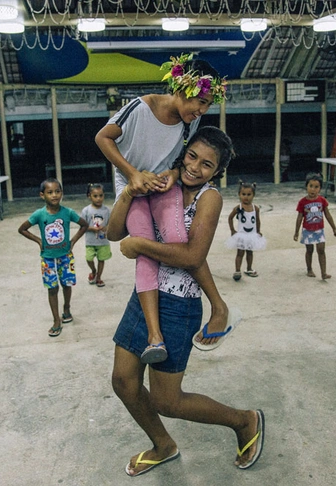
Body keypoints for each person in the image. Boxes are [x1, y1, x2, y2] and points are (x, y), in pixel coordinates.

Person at [108, 126, 264, 477]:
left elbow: (194, 255)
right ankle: (163, 445)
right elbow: (116, 232)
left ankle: (245, 421)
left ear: (217, 171)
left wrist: (142, 246)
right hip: (145, 295)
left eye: (207, 164)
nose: (196, 167)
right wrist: (130, 191)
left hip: (180, 305)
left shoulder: (210, 199)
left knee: (167, 400)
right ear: (183, 153)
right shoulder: (165, 182)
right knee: (123, 381)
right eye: (192, 156)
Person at [95, 53, 236, 364]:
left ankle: (219, 305)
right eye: (199, 100)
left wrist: (173, 173)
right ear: (180, 86)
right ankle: (154, 335)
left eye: (208, 105)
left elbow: (179, 156)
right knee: (145, 250)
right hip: (134, 186)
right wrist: (132, 175)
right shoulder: (141, 108)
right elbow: (103, 137)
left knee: (179, 241)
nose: (201, 110)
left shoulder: (192, 119)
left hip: (161, 185)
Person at [18, 178, 88, 337]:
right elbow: (22, 229)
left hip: (66, 257)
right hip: (48, 259)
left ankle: (67, 309)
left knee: (67, 284)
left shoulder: (68, 212)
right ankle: (56, 320)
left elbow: (84, 225)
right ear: (42, 195)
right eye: (50, 192)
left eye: (57, 191)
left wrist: (73, 241)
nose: (54, 195)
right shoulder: (39, 214)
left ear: (62, 193)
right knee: (52, 288)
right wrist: (38, 240)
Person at [293, 173, 336, 279]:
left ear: (320, 188)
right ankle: (309, 269)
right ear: (306, 186)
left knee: (321, 250)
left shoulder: (322, 201)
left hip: (319, 230)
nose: (313, 190)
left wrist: (334, 228)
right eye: (311, 186)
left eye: (316, 187)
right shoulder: (302, 202)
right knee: (309, 250)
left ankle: (323, 273)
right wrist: (296, 232)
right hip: (307, 230)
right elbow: (299, 217)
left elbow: (327, 215)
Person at [226, 181, 266, 281]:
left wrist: (258, 231)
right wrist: (232, 230)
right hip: (242, 234)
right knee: (240, 253)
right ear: (239, 195)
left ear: (253, 195)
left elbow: (257, 220)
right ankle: (237, 270)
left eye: (249, 194)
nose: (246, 197)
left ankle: (249, 268)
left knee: (250, 252)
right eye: (243, 194)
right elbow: (230, 218)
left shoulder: (255, 208)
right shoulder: (238, 208)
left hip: (251, 234)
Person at [80, 183, 111, 287]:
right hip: (90, 241)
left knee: (101, 259)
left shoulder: (107, 210)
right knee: (89, 258)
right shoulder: (86, 211)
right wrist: (91, 228)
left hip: (103, 241)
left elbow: (110, 224)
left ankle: (98, 277)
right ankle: (93, 270)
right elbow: (82, 226)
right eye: (95, 196)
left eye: (101, 195)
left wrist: (106, 228)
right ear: (89, 196)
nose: (99, 199)